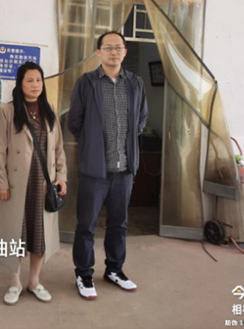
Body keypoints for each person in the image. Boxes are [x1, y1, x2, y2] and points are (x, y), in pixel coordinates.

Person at [68, 31, 148, 299]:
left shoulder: (135, 83)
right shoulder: (86, 83)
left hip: (124, 170)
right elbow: (74, 122)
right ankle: (84, 273)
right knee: (86, 225)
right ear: (98, 52)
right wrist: (92, 144)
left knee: (119, 224)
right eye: (108, 47)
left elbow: (141, 120)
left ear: (125, 52)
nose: (114, 52)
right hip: (95, 170)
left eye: (118, 47)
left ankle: (114, 270)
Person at [0, 62, 67, 306]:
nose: (36, 85)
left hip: (44, 184)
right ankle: (14, 282)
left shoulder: (49, 110)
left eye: (39, 80)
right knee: (15, 235)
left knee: (39, 235)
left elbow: (58, 148)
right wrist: (1, 183)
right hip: (17, 184)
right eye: (30, 80)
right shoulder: (9, 111)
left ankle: (34, 281)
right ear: (20, 83)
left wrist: (62, 176)